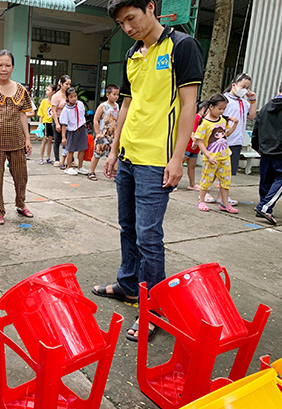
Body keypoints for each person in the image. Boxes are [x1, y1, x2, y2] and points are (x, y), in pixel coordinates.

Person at [92, 0, 203, 342]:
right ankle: (128, 284)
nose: (128, 28)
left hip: (157, 159)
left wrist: (177, 157)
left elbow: (189, 106)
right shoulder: (132, 55)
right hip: (128, 155)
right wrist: (113, 150)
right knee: (128, 225)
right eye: (121, 23)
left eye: (131, 18)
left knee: (149, 236)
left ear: (151, 7)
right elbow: (126, 104)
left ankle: (153, 308)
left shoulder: (182, 46)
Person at [0, 49, 34, 225]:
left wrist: (28, 139)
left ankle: (21, 203)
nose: (4, 68)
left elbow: (23, 115)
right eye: (0, 65)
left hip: (17, 141)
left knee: (21, 175)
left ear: (12, 67)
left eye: (7, 65)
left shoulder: (21, 90)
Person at [195, 94, 239, 213]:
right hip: (211, 158)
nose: (222, 111)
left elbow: (226, 134)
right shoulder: (204, 123)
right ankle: (202, 201)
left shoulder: (223, 120)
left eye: (224, 109)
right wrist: (208, 156)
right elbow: (199, 140)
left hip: (224, 156)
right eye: (220, 108)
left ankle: (225, 203)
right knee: (206, 180)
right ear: (211, 107)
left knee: (225, 181)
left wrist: (235, 124)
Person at [219, 73, 258, 205]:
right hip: (221, 140)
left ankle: (222, 195)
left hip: (236, 140)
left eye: (247, 88)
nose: (245, 90)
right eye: (243, 86)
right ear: (234, 85)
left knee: (229, 171)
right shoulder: (224, 99)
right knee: (214, 168)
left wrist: (252, 100)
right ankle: (205, 192)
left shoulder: (244, 103)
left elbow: (251, 116)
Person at [251, 81, 282, 225]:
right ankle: (265, 206)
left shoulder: (265, 108)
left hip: (265, 150)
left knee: (266, 180)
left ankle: (265, 206)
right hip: (279, 151)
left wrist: (257, 146)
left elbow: (256, 128)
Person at [88, 84, 120, 181]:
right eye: (114, 94)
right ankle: (91, 172)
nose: (116, 96)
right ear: (107, 95)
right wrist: (98, 133)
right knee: (98, 152)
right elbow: (96, 120)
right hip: (103, 134)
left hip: (113, 135)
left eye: (117, 94)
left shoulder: (117, 106)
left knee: (115, 154)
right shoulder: (103, 106)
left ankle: (115, 174)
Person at [60, 87, 89, 176]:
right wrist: (63, 137)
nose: (74, 98)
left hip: (81, 129)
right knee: (70, 150)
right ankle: (68, 167)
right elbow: (64, 125)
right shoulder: (66, 110)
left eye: (75, 96)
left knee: (82, 148)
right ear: (67, 97)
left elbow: (82, 114)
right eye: (71, 97)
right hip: (72, 131)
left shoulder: (80, 104)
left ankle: (80, 166)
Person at [184, 100, 208, 190]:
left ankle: (192, 184)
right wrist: (194, 140)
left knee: (192, 166)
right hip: (188, 145)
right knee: (181, 163)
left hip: (195, 147)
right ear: (203, 109)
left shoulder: (203, 120)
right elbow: (192, 131)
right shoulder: (196, 117)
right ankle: (173, 183)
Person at [51, 75, 72, 168]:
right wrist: (57, 123)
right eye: (66, 84)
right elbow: (54, 110)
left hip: (68, 120)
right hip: (58, 119)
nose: (68, 86)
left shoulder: (69, 95)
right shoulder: (56, 96)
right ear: (61, 84)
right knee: (57, 140)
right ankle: (57, 159)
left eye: (69, 84)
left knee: (68, 139)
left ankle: (69, 158)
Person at [37, 84, 56, 165]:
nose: (46, 91)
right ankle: (41, 158)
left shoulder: (55, 102)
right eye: (46, 90)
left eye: (48, 90)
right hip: (45, 123)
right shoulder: (44, 102)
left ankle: (48, 158)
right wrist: (40, 124)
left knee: (50, 141)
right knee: (44, 141)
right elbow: (41, 114)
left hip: (52, 123)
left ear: (53, 92)